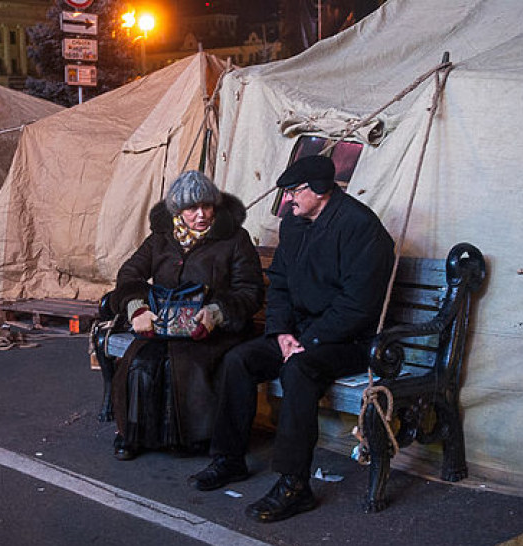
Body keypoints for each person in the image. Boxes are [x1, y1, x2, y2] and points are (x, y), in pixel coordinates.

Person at [188, 155, 395, 523]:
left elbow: (358, 306)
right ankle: (229, 459)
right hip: (298, 334)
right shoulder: (294, 225)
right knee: (239, 359)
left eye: (294, 191)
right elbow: (280, 283)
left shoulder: (361, 228)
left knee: (298, 371)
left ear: (318, 189)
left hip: (349, 341)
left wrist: (307, 342)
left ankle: (295, 485)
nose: (288, 200)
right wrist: (282, 333)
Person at [109, 170, 265, 461]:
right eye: (192, 208)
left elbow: (250, 291)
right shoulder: (160, 239)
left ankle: (190, 438)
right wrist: (137, 308)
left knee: (182, 364)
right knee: (139, 362)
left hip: (214, 328)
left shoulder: (235, 239)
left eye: (207, 206)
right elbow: (130, 274)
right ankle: (132, 433)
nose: (201, 214)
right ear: (177, 211)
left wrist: (216, 313)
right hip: (164, 324)